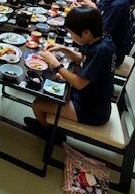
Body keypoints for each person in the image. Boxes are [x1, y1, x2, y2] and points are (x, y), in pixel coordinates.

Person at [25, 7, 115, 136]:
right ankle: (49, 125)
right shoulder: (100, 39)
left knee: (38, 104)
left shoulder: (100, 51)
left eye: (72, 33)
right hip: (88, 98)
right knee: (45, 89)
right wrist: (62, 48)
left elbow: (79, 83)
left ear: (86, 32)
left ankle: (49, 134)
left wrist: (56, 64)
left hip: (92, 110)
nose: (71, 37)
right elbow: (80, 57)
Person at [76, 0, 131, 67]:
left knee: (75, 37)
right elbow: (99, 10)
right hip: (106, 46)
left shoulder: (117, 6)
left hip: (113, 55)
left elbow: (102, 32)